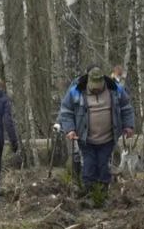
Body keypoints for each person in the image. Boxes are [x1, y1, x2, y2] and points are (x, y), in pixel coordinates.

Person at [58, 65, 135, 198]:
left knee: (103, 165)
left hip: (108, 137)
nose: (95, 89)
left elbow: (126, 108)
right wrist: (70, 129)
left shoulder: (116, 89)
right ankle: (88, 194)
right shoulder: (76, 91)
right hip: (85, 138)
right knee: (89, 165)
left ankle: (103, 194)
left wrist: (129, 126)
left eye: (98, 86)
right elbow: (66, 111)